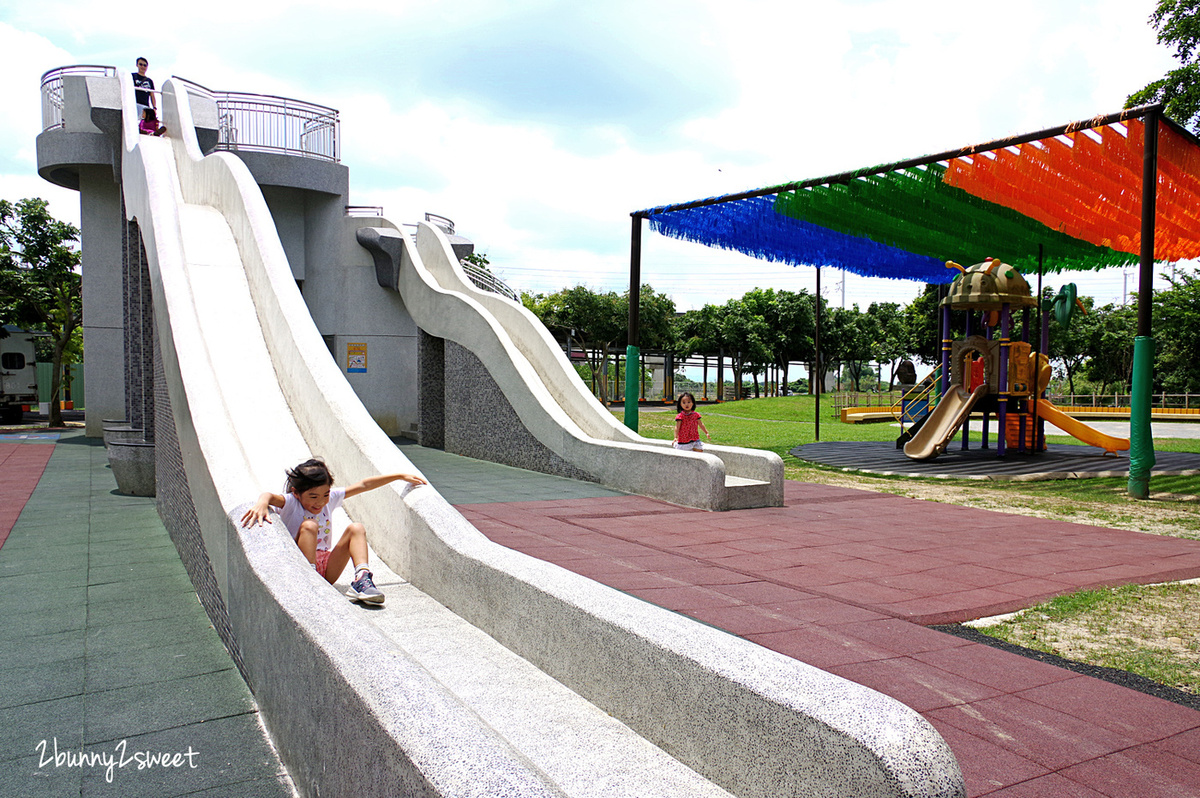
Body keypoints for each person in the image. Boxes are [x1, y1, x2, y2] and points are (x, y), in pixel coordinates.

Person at [240, 458, 427, 604]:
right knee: (310, 525)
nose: (320, 502)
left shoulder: (330, 499)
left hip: (326, 567)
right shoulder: (291, 502)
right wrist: (262, 503)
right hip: (301, 567)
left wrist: (398, 476)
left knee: (356, 528)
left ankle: (362, 580)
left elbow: (363, 485)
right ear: (296, 493)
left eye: (325, 495)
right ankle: (309, 580)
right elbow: (269, 496)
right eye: (313, 496)